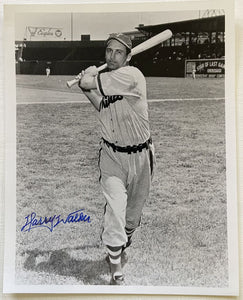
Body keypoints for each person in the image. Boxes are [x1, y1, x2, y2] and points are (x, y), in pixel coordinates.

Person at [78, 33, 155, 285]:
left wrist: (88, 77)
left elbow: (92, 82)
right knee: (115, 211)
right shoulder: (111, 80)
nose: (111, 56)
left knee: (131, 217)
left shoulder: (131, 76)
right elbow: (104, 106)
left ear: (128, 57)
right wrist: (85, 88)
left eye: (118, 52)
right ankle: (116, 271)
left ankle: (122, 243)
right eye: (108, 51)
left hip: (141, 157)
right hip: (111, 155)